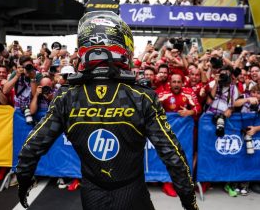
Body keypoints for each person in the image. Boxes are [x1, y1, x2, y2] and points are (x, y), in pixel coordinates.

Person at [16, 11, 198, 210]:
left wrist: (24, 182)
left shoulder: (66, 97)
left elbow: (31, 148)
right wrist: (189, 202)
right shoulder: (142, 97)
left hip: (92, 195)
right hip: (133, 194)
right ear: (123, 48)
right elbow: (173, 156)